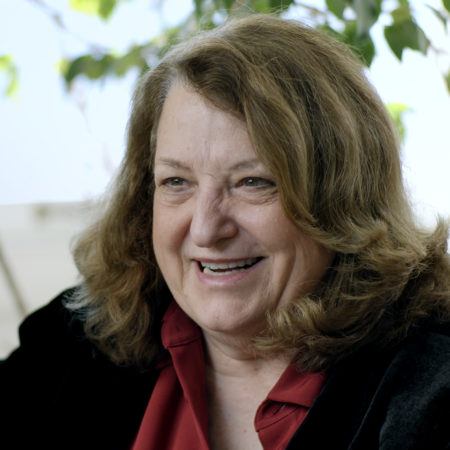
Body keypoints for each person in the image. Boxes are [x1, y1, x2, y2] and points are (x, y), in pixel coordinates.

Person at [2, 13, 450, 450]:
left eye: (253, 182)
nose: (206, 228)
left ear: (341, 198)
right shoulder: (73, 345)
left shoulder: (430, 390)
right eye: (177, 182)